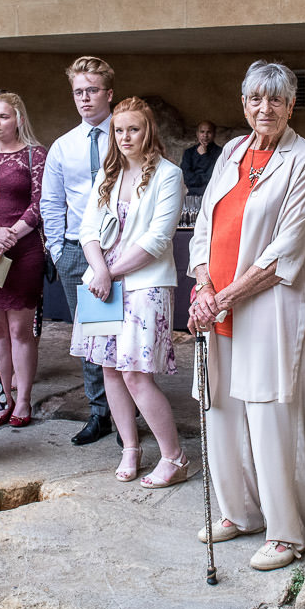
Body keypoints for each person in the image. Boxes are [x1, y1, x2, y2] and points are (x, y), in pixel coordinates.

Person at [188, 62, 305, 571]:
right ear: (244, 104)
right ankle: (239, 513)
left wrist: (220, 298)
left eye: (276, 100)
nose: (264, 109)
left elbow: (285, 251)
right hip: (216, 300)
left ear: (290, 105)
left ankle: (287, 532)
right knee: (219, 406)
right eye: (255, 100)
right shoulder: (232, 150)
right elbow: (204, 225)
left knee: (270, 415)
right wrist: (203, 285)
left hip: (266, 305)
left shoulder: (303, 159)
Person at [73, 97, 188, 488]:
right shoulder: (107, 176)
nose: (125, 136)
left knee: (136, 374)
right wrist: (101, 272)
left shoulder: (168, 175)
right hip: (102, 281)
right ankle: (130, 448)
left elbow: (157, 239)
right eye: (119, 130)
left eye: (133, 129)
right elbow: (87, 230)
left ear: (148, 131)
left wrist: (111, 273)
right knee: (108, 368)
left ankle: (174, 457)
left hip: (144, 281)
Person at [41, 55, 116, 445]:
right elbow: (51, 203)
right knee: (90, 336)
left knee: (124, 335)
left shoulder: (127, 135)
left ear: (109, 93)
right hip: (74, 251)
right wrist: (57, 249)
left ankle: (128, 412)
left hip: (119, 252)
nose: (85, 99)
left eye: (92, 90)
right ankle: (99, 412)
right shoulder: (63, 146)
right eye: (78, 92)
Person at [0, 91, 46, 428]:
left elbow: (40, 202)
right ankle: (1, 395)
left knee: (20, 327)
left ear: (18, 119)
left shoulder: (35, 155)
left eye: (3, 116)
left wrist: (11, 234)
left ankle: (23, 399)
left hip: (24, 249)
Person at [179, 120, 222, 197]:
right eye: (202, 132)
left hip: (211, 194)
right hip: (190, 196)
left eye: (209, 132)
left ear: (214, 134)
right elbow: (186, 178)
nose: (205, 135)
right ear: (197, 134)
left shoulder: (220, 153)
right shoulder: (189, 152)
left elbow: (212, 178)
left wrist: (204, 156)